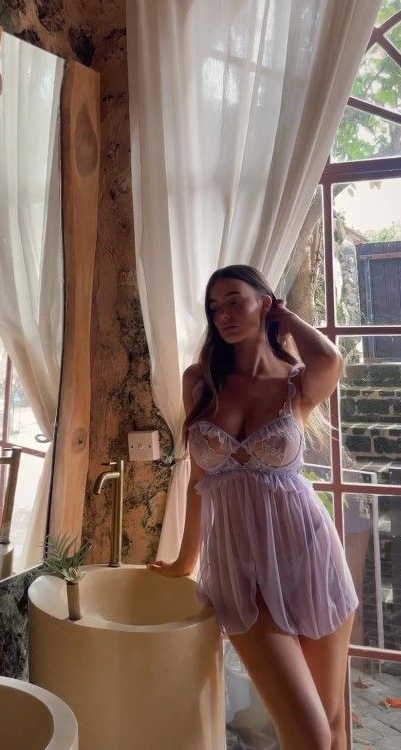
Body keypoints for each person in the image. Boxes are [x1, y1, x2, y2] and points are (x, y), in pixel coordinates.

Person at [148, 265, 358, 750]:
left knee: (332, 726)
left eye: (234, 301)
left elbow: (331, 358)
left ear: (265, 303)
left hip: (309, 555)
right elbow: (198, 482)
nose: (222, 314)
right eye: (214, 307)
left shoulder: (297, 384)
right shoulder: (201, 381)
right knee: (309, 734)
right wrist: (184, 561)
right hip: (240, 571)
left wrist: (285, 317)